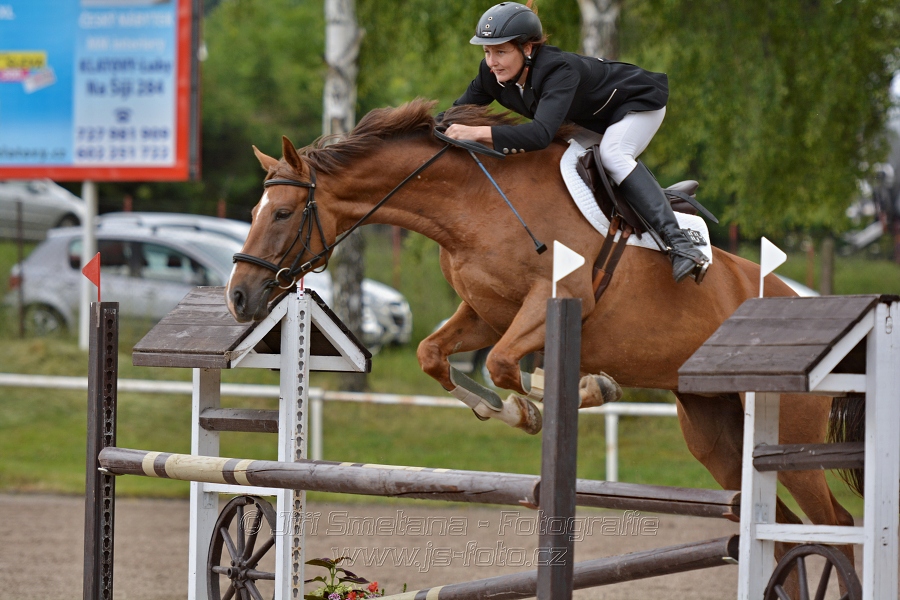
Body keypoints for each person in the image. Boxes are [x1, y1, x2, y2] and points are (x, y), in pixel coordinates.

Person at [444, 1, 708, 283]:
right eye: (487, 52)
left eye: (500, 51)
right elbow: (453, 116)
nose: (492, 62)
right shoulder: (490, 74)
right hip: (589, 120)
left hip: (636, 104)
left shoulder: (558, 71)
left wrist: (477, 132)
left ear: (528, 48)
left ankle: (681, 245)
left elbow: (539, 135)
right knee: (561, 158)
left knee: (613, 154)